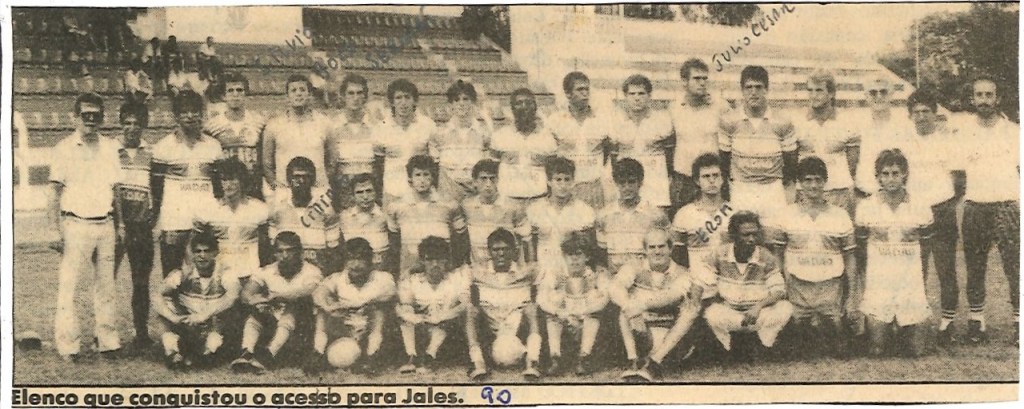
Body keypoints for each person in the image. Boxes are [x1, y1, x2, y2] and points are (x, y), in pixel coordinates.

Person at [49, 92, 123, 361]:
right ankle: (68, 344)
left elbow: (116, 191)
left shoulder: (111, 147)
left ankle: (108, 341)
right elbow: (54, 193)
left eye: (96, 115)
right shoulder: (63, 148)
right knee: (69, 286)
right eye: (85, 115)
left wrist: (121, 225)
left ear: (102, 118)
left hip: (106, 223)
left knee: (106, 287)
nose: (91, 120)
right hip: (75, 224)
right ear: (75, 117)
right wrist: (53, 230)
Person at [768, 156, 858, 358]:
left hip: (830, 288)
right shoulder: (785, 215)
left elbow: (850, 257)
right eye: (808, 180)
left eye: (818, 180)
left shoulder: (840, 215)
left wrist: (851, 295)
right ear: (799, 183)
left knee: (837, 340)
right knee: (797, 342)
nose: (813, 185)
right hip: (798, 287)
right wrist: (781, 286)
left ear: (825, 181)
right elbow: (778, 255)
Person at [958, 76, 1020, 346]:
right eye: (979, 95)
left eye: (989, 94)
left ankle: (1019, 322)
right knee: (975, 267)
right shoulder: (964, 133)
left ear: (998, 98)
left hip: (1007, 205)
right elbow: (958, 173)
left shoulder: (1014, 132)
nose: (984, 100)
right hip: (976, 205)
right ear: (973, 99)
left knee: (1015, 267)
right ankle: (977, 321)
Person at [855, 150, 933, 357]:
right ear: (878, 177)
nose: (891, 179)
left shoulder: (920, 206)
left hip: (909, 283)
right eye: (885, 174)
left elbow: (925, 249)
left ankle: (906, 326)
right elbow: (861, 249)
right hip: (880, 284)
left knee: (916, 351)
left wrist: (919, 280)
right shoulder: (866, 207)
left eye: (895, 173)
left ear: (904, 174)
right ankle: (884, 327)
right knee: (877, 349)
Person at [610, 229, 711, 382]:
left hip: (670, 336)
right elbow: (615, 287)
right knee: (625, 306)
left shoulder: (683, 272)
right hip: (642, 332)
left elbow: (672, 295)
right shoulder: (634, 266)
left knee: (691, 309)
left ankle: (654, 363)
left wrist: (641, 306)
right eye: (652, 247)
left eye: (661, 246)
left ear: (670, 249)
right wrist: (629, 307)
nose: (657, 251)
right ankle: (634, 361)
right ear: (645, 250)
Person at [152, 90, 223, 276]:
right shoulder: (163, 147)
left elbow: (218, 189)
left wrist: (213, 216)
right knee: (173, 277)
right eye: (184, 112)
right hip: (174, 223)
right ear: (176, 116)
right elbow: (156, 190)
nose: (190, 116)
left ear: (201, 114)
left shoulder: (214, 146)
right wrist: (158, 222)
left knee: (205, 277)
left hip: (205, 222)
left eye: (194, 111)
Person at [702, 211, 793, 356]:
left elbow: (779, 290)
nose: (751, 239)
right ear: (734, 236)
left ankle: (763, 345)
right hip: (731, 313)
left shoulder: (765, 256)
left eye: (755, 234)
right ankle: (727, 348)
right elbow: (704, 279)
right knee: (711, 313)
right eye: (745, 235)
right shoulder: (720, 254)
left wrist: (758, 307)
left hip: (758, 314)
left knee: (785, 308)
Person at [232, 232, 323, 373]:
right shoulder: (267, 271)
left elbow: (306, 291)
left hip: (302, 326)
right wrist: (256, 300)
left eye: (289, 251)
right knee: (256, 312)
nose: (284, 256)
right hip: (274, 323)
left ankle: (269, 355)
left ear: (300, 252)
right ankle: (246, 352)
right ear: (274, 253)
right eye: (280, 251)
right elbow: (246, 294)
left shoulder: (312, 271)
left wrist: (277, 297)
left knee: (295, 305)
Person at [306, 238, 397, 375]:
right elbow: (318, 293)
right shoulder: (338, 278)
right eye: (351, 259)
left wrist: (358, 304)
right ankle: (317, 353)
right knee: (321, 311)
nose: (355, 265)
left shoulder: (382, 277)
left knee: (379, 309)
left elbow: (390, 293)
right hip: (345, 328)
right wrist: (329, 307)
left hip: (370, 328)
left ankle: (372, 356)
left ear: (370, 260)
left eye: (360, 259)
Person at [718, 65, 797, 218]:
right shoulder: (729, 120)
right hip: (741, 188)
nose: (753, 92)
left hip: (772, 188)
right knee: (743, 229)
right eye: (749, 87)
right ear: (742, 90)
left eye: (758, 87)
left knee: (774, 230)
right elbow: (724, 159)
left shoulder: (783, 121)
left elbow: (791, 162)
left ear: (766, 90)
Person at [466, 229, 542, 380]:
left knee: (532, 308)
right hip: (491, 330)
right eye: (496, 250)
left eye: (506, 249)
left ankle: (532, 362)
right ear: (489, 252)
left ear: (514, 251)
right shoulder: (477, 273)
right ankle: (478, 363)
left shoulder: (526, 272)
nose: (501, 254)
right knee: (471, 309)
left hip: (518, 328)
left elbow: (548, 277)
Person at [157, 232, 241, 369]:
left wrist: (204, 315)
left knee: (227, 311)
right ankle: (172, 353)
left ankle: (208, 352)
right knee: (165, 305)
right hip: (189, 324)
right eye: (198, 251)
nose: (202, 255)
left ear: (215, 253)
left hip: (213, 324)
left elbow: (233, 296)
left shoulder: (225, 272)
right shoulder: (184, 273)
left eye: (207, 251)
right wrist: (173, 318)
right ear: (192, 254)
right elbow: (156, 295)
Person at [113, 101, 156, 351]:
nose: (131, 128)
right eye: (127, 123)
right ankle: (102, 331)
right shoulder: (110, 150)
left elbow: (156, 188)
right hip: (115, 225)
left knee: (141, 282)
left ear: (143, 126)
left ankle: (141, 332)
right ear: (121, 124)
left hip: (141, 226)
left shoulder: (151, 152)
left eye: (136, 123)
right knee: (107, 279)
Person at [395, 236, 472, 374]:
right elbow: (401, 307)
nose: (435, 264)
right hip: (421, 328)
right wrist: (414, 318)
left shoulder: (455, 279)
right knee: (406, 315)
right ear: (422, 261)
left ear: (447, 260)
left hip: (446, 330)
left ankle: (429, 356)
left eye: (440, 259)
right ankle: (411, 356)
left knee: (448, 313)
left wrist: (443, 316)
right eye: (429, 259)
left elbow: (465, 305)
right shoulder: (413, 280)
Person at [536, 233, 609, 376]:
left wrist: (584, 311)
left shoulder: (595, 274)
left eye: (578, 254)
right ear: (564, 256)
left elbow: (605, 299)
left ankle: (584, 357)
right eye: (570, 254)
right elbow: (541, 298)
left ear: (587, 256)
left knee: (595, 298)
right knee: (554, 299)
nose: (574, 259)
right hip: (564, 321)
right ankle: (555, 358)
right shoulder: (557, 274)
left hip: (586, 322)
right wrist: (558, 312)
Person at [193, 157, 272, 281]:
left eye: (232, 179)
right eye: (224, 180)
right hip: (219, 276)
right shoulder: (208, 210)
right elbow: (195, 245)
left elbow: (266, 247)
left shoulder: (259, 209)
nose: (228, 184)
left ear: (242, 180)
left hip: (251, 275)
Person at [386, 155, 469, 272]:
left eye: (426, 174)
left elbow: (461, 240)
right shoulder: (396, 207)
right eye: (417, 175)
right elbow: (394, 244)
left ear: (433, 177)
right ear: (410, 179)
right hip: (409, 270)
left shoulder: (449, 205)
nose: (422, 180)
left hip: (441, 271)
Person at [795, 70, 860, 215]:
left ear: (831, 93)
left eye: (819, 90)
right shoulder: (797, 122)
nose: (813, 95)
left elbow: (852, 164)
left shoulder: (848, 122)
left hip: (839, 192)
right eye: (810, 90)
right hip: (806, 193)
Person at [521, 156, 597, 277]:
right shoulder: (535, 209)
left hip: (572, 272)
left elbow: (589, 249)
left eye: (567, 180)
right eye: (558, 180)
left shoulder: (584, 211)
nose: (563, 185)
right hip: (544, 271)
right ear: (549, 181)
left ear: (573, 181)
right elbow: (530, 245)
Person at [547, 71, 612, 210]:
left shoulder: (601, 120)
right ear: (568, 94)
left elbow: (607, 150)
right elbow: (551, 156)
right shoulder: (555, 120)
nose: (585, 93)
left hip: (593, 187)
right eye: (580, 89)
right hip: (566, 188)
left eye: (587, 89)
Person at [609, 74, 673, 208]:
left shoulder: (662, 119)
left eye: (641, 93)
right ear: (625, 96)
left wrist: (667, 177)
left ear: (649, 95)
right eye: (632, 94)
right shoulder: (616, 120)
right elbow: (613, 155)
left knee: (656, 215)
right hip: (628, 179)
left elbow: (670, 152)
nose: (637, 98)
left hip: (655, 177)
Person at [596, 158, 670, 273]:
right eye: (622, 183)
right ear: (616, 183)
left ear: (640, 182)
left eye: (631, 182)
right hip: (614, 276)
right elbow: (601, 256)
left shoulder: (655, 215)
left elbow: (665, 251)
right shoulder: (604, 215)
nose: (627, 188)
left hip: (646, 277)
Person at [669, 58, 725, 207]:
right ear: (684, 81)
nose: (702, 83)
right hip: (684, 179)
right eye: (697, 78)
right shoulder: (674, 108)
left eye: (705, 79)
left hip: (711, 178)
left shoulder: (719, 106)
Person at [263, 74, 333, 192]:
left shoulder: (324, 123)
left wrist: (321, 184)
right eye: (293, 90)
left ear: (310, 94)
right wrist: (278, 189)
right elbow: (267, 163)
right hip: (286, 190)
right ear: (287, 96)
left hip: (317, 190)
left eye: (302, 90)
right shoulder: (274, 125)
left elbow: (332, 161)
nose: (298, 94)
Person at [270, 157, 341, 272]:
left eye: (306, 177)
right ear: (288, 180)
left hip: (319, 272)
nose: (301, 181)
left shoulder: (325, 209)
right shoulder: (277, 209)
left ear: (313, 180)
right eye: (296, 177)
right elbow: (273, 249)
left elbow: (334, 251)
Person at [490, 88, 557, 207]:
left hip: (539, 201)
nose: (524, 107)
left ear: (535, 107)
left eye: (528, 103)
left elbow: (553, 173)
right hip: (508, 201)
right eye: (519, 103)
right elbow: (492, 172)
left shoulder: (548, 138)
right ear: (512, 108)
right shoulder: (499, 136)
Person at [205, 71, 267, 199]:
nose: (235, 95)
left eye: (239, 90)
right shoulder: (212, 125)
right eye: (230, 91)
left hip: (252, 185)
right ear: (223, 96)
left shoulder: (259, 122)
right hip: (225, 185)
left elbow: (264, 157)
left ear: (245, 94)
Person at [375, 79, 435, 205]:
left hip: (421, 195)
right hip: (392, 194)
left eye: (407, 97)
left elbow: (435, 165)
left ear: (415, 101)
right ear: (392, 102)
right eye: (398, 98)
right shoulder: (381, 128)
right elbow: (378, 167)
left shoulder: (427, 125)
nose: (403, 103)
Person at [431, 80, 491, 202]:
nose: (461, 104)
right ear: (450, 105)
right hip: (448, 194)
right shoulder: (439, 133)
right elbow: (434, 169)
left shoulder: (484, 133)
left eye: (466, 99)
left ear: (473, 102)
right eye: (456, 100)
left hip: (475, 194)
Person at [671, 153, 733, 270]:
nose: (712, 180)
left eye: (716, 175)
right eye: (706, 176)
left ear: (723, 179)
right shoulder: (684, 214)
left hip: (726, 277)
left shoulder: (734, 212)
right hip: (696, 277)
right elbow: (677, 256)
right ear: (697, 181)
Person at [463, 159, 527, 266]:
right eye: (483, 179)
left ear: (498, 180)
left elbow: (525, 239)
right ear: (475, 182)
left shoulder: (512, 206)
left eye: (492, 179)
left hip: (505, 267)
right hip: (478, 268)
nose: (488, 184)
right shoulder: (467, 206)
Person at [328, 74, 378, 209]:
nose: (355, 98)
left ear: (365, 97)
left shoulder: (376, 126)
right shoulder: (333, 126)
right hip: (342, 191)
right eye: (350, 93)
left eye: (359, 93)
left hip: (369, 191)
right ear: (343, 96)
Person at [339, 173, 392, 272]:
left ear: (376, 192)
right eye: (359, 192)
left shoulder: (385, 216)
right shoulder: (344, 217)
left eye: (369, 191)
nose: (365, 197)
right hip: (354, 271)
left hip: (380, 270)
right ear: (353, 195)